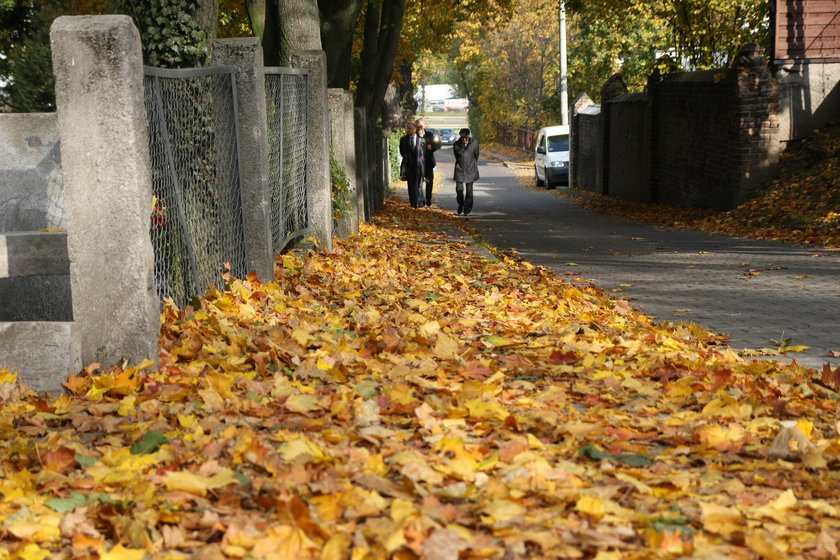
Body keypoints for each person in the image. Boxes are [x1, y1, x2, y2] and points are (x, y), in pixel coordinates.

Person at [398, 120, 426, 208]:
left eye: (409, 128)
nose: (407, 130)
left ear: (415, 129)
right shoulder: (404, 140)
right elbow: (402, 152)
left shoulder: (421, 140)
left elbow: (423, 153)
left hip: (418, 166)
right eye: (407, 128)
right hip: (408, 165)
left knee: (417, 185)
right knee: (410, 185)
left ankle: (417, 202)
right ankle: (413, 203)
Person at [452, 127, 479, 215]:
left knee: (469, 190)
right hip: (459, 169)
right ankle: (460, 204)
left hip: (470, 169)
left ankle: (467, 208)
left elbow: (476, 155)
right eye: (462, 138)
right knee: (459, 189)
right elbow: (457, 156)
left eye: (466, 138)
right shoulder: (456, 145)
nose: (464, 139)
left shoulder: (474, 143)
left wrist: (472, 164)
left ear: (468, 136)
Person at [415, 118, 440, 207]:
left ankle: (428, 199)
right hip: (418, 163)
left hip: (428, 162)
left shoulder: (429, 135)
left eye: (421, 126)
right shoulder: (415, 136)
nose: (420, 128)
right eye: (418, 126)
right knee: (418, 182)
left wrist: (432, 147)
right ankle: (420, 200)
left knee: (429, 181)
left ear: (424, 126)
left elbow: (437, 145)